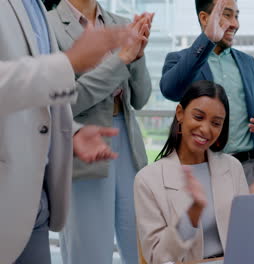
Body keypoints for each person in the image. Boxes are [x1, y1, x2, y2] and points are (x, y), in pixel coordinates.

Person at [0, 0, 139, 263]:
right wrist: (70, 62)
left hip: (37, 194)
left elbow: (37, 100)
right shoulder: (51, 19)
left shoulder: (35, 8)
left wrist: (70, 132)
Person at [135, 80, 254, 264]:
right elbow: (157, 258)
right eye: (198, 117)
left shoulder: (232, 167)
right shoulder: (147, 180)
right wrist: (191, 216)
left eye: (216, 123)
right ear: (180, 114)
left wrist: (253, 207)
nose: (206, 129)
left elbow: (246, 240)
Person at [47, 1, 153, 263]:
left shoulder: (120, 24)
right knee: (89, 251)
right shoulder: (49, 26)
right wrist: (122, 59)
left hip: (128, 143)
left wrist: (137, 57)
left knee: (142, 247)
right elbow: (66, 102)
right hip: (83, 145)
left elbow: (140, 98)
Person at [159, 0, 254, 185]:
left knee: (253, 215)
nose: (235, 24)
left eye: (236, 16)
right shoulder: (181, 60)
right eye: (227, 15)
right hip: (204, 166)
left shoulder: (248, 62)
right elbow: (170, 90)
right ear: (205, 18)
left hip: (249, 167)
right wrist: (208, 39)